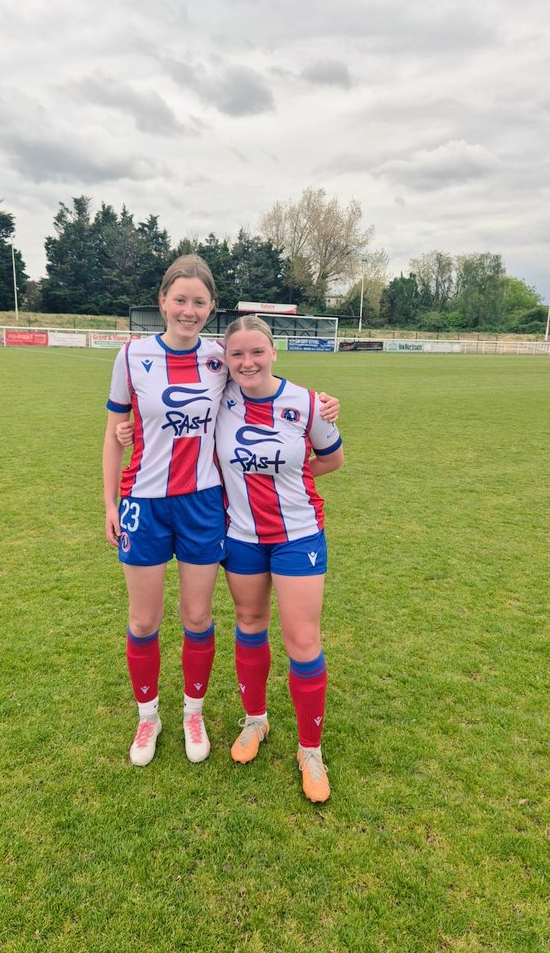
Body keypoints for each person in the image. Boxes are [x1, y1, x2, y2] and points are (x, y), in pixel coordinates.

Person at [103, 257, 339, 769]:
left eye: (199, 302)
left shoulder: (219, 358)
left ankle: (194, 712)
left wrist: (320, 404)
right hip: (142, 502)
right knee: (143, 619)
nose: (188, 310)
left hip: (205, 504)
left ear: (211, 308)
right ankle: (149, 717)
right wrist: (109, 503)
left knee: (198, 616)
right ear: (162, 300)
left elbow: (262, 376)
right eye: (180, 299)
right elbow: (115, 431)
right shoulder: (131, 355)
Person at [215, 315, 343, 803]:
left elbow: (333, 459)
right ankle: (256, 721)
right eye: (237, 354)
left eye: (256, 352)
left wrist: (289, 474)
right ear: (226, 360)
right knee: (249, 623)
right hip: (242, 535)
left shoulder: (308, 402)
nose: (247, 362)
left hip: (298, 535)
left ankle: (310, 750)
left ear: (274, 352)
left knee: (302, 639)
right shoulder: (218, 399)